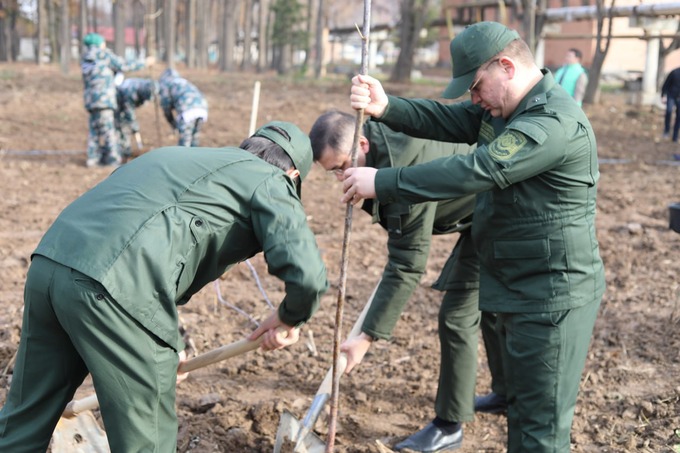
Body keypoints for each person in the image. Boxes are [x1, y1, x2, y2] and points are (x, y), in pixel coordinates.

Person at [344, 21, 605, 453]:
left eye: (477, 85)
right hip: (522, 287)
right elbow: (448, 118)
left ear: (506, 66)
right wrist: (387, 107)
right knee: (522, 413)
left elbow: (478, 169)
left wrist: (384, 182)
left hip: (552, 298)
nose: (474, 97)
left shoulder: (550, 124)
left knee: (540, 431)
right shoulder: (507, 109)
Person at [0, 121, 329, 452]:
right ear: (294, 176)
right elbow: (309, 276)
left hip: (49, 266)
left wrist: (170, 344)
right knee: (149, 440)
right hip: (117, 291)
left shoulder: (173, 157)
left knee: (25, 416)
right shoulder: (273, 180)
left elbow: (148, 236)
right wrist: (290, 317)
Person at [310, 110, 506, 452]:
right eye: (334, 172)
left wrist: (365, 339)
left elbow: (406, 263)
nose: (341, 177)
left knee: (457, 316)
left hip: (502, 207)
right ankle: (508, 393)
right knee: (484, 306)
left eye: (343, 166)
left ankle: (449, 426)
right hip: (481, 203)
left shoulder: (404, 176)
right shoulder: (383, 144)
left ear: (362, 142)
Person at [80, 32, 149, 167]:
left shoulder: (86, 58)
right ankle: (113, 159)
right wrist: (144, 63)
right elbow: (123, 65)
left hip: (91, 101)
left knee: (94, 130)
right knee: (108, 129)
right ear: (99, 43)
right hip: (104, 99)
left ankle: (92, 158)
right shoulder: (103, 54)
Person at [158, 68, 208, 146]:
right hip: (202, 108)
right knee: (194, 138)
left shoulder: (167, 85)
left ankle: (184, 158)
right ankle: (195, 157)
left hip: (187, 111)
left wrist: (172, 123)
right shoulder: (183, 81)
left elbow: (166, 106)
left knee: (185, 143)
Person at [115, 77, 158, 161]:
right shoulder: (131, 90)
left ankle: (125, 150)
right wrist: (134, 124)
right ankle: (120, 152)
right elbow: (128, 109)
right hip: (118, 104)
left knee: (127, 125)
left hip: (125, 104)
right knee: (121, 126)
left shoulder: (147, 87)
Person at [661, 66, 680, 143]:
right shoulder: (674, 72)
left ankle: (675, 136)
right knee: (668, 112)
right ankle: (666, 131)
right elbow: (666, 84)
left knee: (679, 117)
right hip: (671, 95)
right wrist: (663, 95)